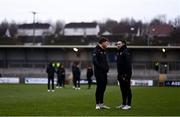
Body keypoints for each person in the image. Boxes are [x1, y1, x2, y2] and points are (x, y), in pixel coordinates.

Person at [93, 37, 110, 109]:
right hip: (99, 72)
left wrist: (107, 67)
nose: (107, 44)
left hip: (104, 72)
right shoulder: (96, 50)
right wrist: (102, 68)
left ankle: (101, 103)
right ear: (102, 43)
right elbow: (95, 61)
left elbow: (105, 61)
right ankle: (97, 104)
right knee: (99, 87)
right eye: (106, 43)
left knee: (103, 87)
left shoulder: (103, 50)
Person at [116, 40, 132, 110]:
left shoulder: (126, 52)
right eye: (117, 44)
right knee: (123, 90)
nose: (118, 45)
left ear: (123, 44)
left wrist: (127, 75)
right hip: (120, 75)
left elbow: (128, 65)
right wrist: (119, 75)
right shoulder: (120, 52)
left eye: (119, 44)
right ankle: (123, 103)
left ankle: (129, 105)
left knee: (127, 90)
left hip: (125, 75)